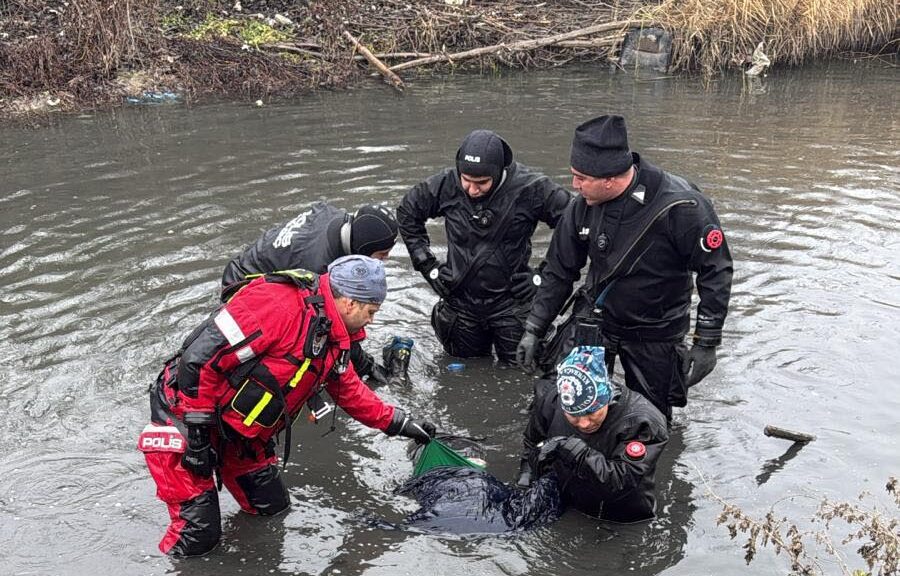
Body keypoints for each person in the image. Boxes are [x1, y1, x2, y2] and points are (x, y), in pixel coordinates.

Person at [138, 255, 436, 557]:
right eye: (371, 311)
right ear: (350, 303)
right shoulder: (278, 303)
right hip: (184, 417)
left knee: (272, 507)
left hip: (241, 434)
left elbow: (349, 390)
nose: (372, 321)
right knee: (198, 536)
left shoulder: (334, 335)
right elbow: (198, 359)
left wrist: (399, 423)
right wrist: (199, 438)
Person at [516, 115, 733, 420]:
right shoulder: (581, 207)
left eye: (581, 177)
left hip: (656, 328)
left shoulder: (682, 207)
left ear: (609, 178)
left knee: (649, 420)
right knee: (569, 407)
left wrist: (706, 342)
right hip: (599, 318)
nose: (574, 185)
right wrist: (534, 329)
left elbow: (716, 271)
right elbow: (559, 271)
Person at [397, 129, 572, 363]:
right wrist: (426, 264)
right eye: (466, 180)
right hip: (460, 302)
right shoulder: (445, 184)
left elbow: (573, 223)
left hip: (511, 304)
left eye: (481, 183)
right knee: (461, 372)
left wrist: (542, 276)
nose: (472, 189)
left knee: (521, 373)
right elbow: (407, 212)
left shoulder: (532, 189)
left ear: (499, 172)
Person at [221, 202, 399, 385]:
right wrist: (369, 369)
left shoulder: (336, 217)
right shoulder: (319, 270)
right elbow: (337, 330)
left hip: (254, 262)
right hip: (240, 285)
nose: (386, 259)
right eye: (382, 254)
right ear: (363, 249)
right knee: (306, 345)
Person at [517, 346, 669, 522]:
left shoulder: (643, 422)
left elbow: (623, 481)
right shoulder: (551, 401)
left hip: (622, 517)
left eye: (591, 413)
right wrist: (526, 478)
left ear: (606, 398)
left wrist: (577, 452)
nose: (584, 423)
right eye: (573, 415)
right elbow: (532, 442)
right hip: (567, 504)